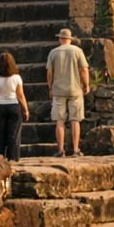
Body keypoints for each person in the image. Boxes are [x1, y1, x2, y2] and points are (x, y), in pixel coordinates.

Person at [45, 27, 90, 156]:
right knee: (75, 120)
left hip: (58, 91)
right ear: (70, 39)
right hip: (75, 90)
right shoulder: (78, 51)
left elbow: (49, 73)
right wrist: (86, 85)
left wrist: (50, 87)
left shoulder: (53, 53)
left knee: (59, 121)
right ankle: (76, 149)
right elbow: (84, 70)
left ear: (60, 39)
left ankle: (60, 150)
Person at [0, 52, 28, 161]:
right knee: (13, 133)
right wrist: (25, 109)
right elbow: (20, 95)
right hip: (13, 105)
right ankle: (13, 157)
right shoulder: (17, 78)